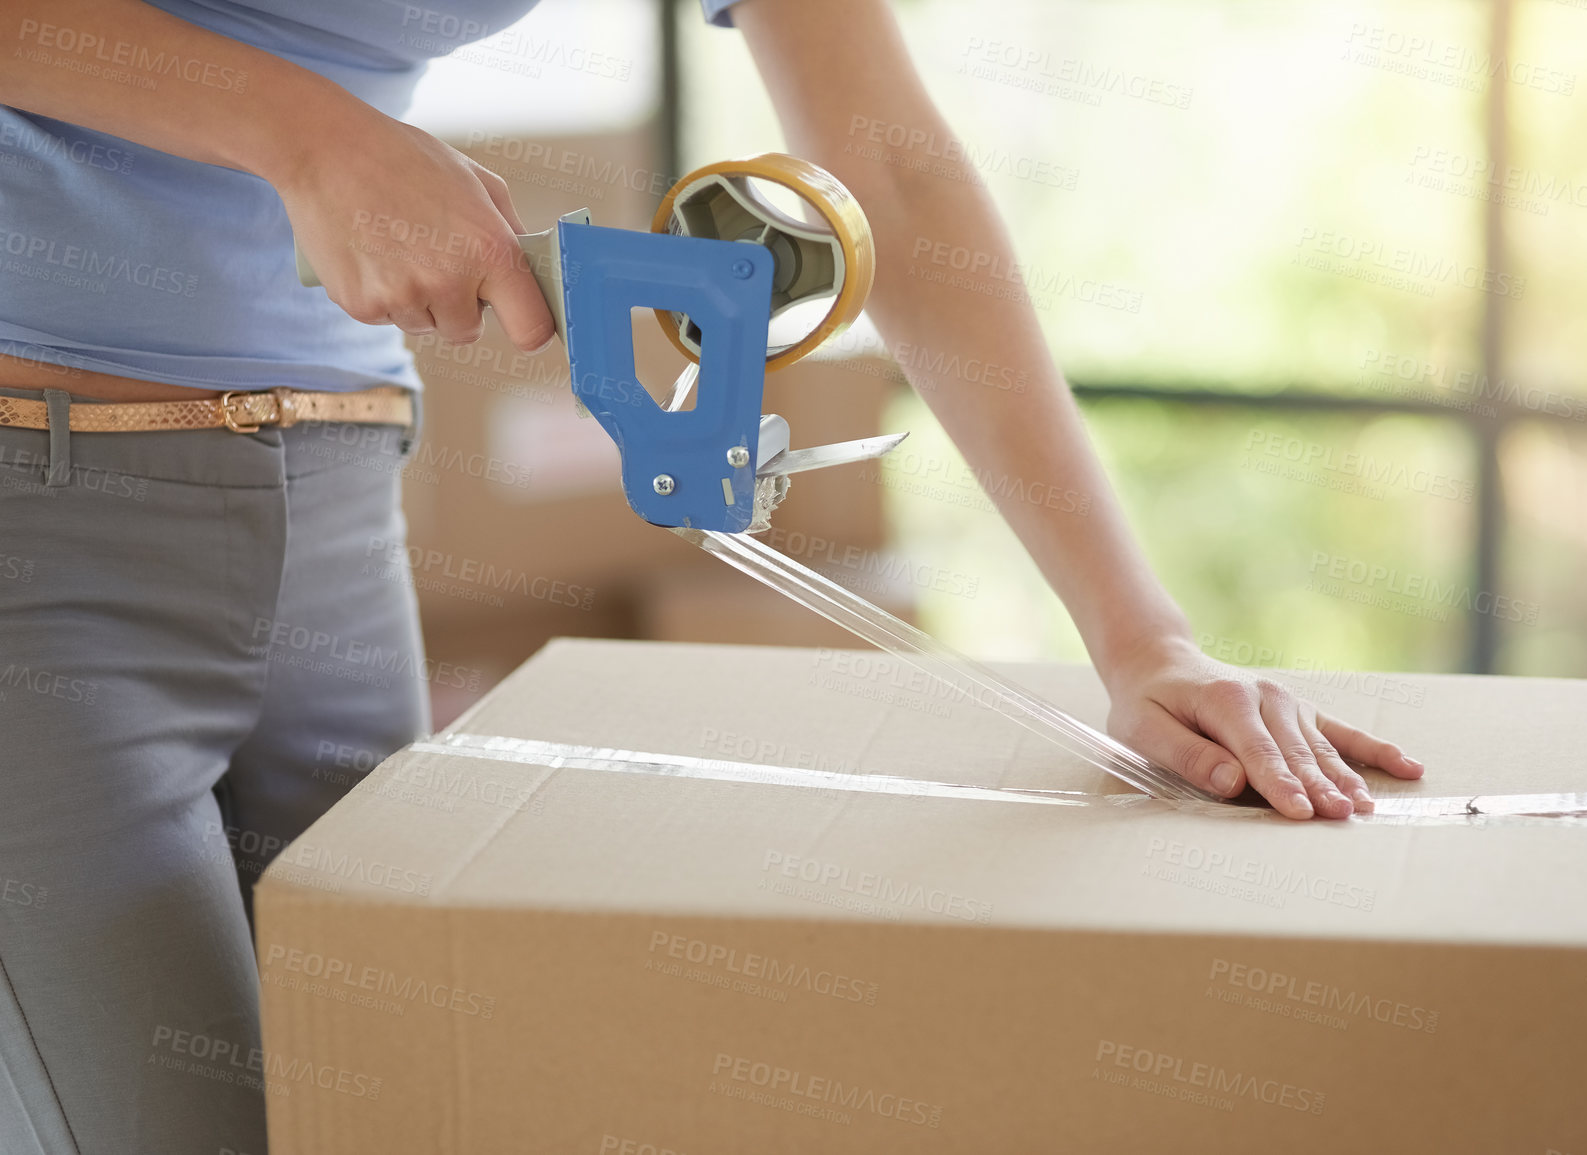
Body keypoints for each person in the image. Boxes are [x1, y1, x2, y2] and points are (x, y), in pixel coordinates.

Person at [0, 0, 1425, 1150]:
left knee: (387, 1105)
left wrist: (1142, 637)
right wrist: (308, 138)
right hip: (38, 513)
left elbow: (892, 178)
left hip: (335, 486)